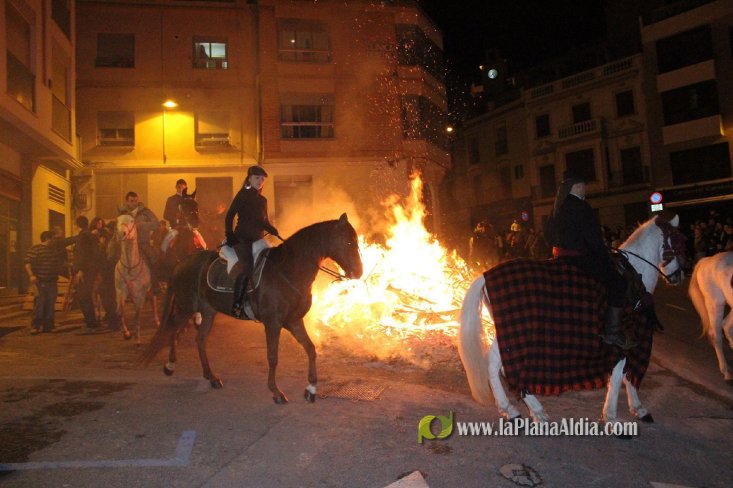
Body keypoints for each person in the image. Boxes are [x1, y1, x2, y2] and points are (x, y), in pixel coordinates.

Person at [547, 171, 634, 350]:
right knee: (617, 283)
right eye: (583, 186)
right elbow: (592, 238)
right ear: (577, 187)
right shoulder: (581, 207)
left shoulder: (557, 207)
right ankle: (612, 331)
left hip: (559, 257)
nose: (585, 189)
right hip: (580, 259)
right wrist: (604, 256)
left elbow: (548, 236)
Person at [225, 165, 279, 318]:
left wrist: (272, 228)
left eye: (262, 179)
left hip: (258, 238)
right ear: (249, 178)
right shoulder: (242, 194)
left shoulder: (263, 200)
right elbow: (229, 215)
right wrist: (229, 234)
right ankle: (237, 304)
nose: (260, 181)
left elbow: (264, 221)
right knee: (248, 267)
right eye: (257, 178)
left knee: (272, 264)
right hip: (242, 238)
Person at [24, 231, 63, 334]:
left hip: (52, 281)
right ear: (47, 238)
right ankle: (35, 325)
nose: (54, 241)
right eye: (52, 239)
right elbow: (27, 263)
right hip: (40, 281)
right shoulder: (35, 249)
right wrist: (31, 275)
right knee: (39, 304)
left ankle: (48, 325)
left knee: (50, 304)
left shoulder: (53, 250)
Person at [72, 216, 101, 330]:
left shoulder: (82, 236)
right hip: (91, 270)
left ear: (76, 225)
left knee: (83, 296)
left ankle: (91, 322)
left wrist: (80, 270)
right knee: (86, 295)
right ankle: (91, 320)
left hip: (84, 270)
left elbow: (81, 254)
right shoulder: (91, 235)